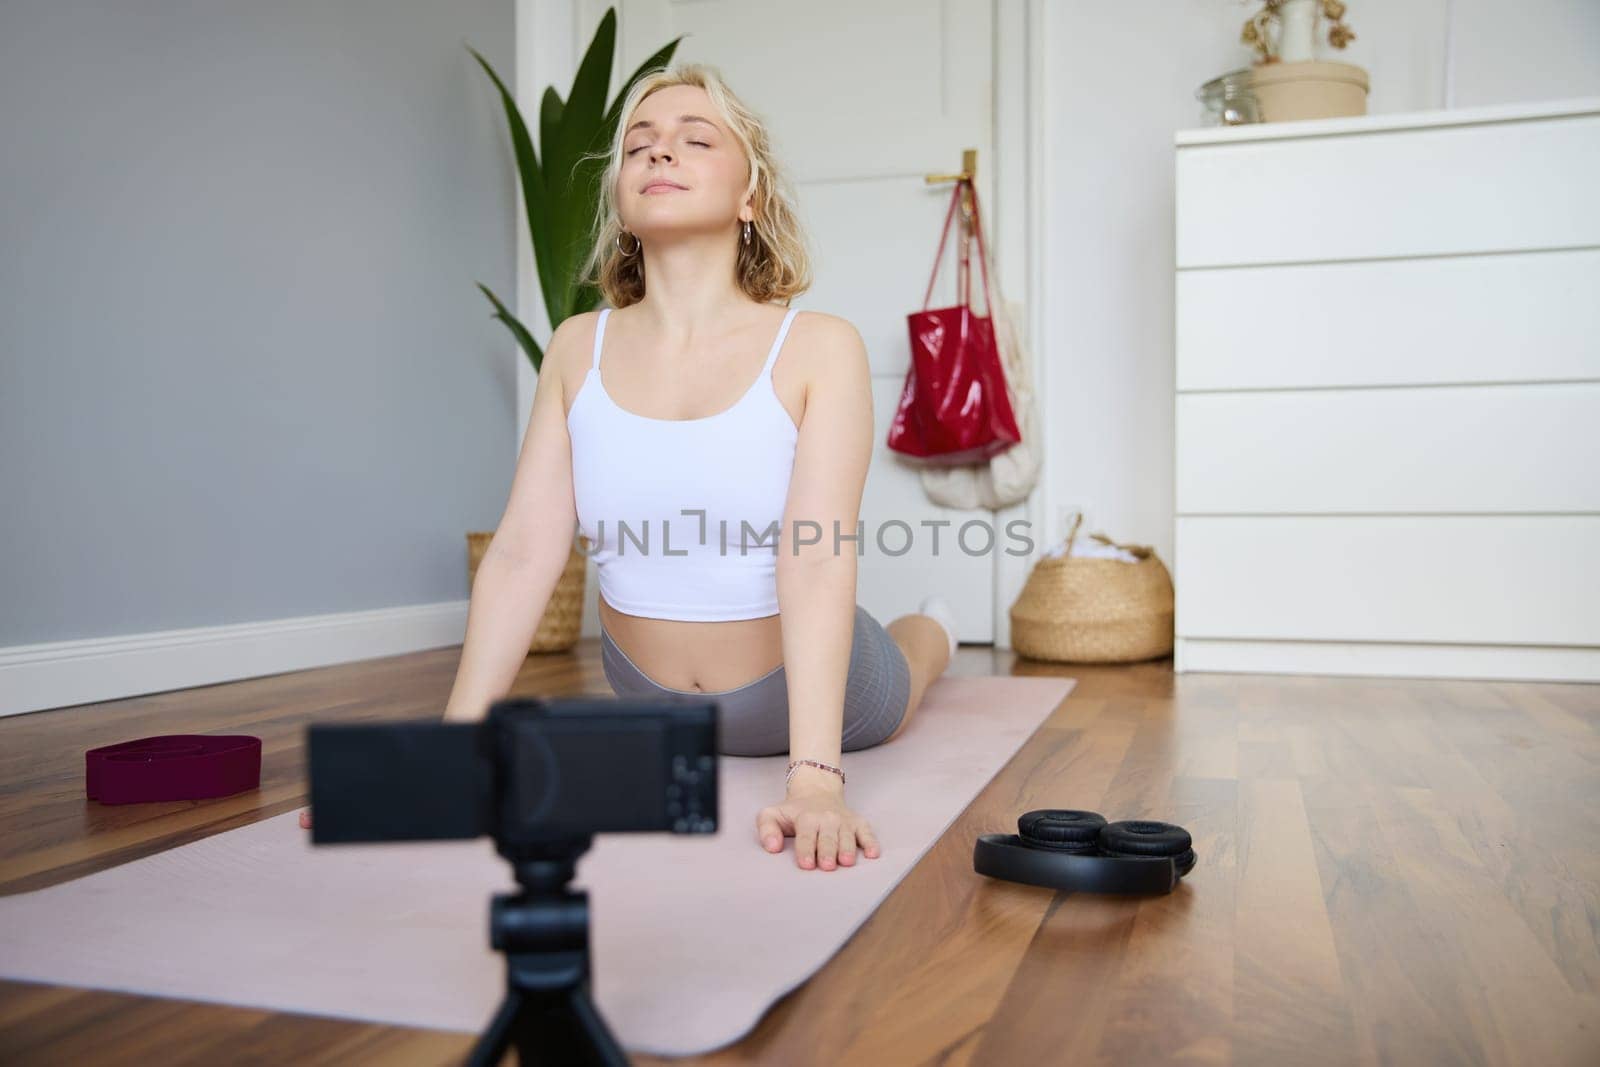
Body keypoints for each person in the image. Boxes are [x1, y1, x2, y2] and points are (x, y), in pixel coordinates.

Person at [300, 64, 958, 873]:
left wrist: (816, 779)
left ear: (751, 195)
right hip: (642, 687)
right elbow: (522, 549)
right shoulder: (580, 344)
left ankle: (934, 626)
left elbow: (817, 551)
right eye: (639, 145)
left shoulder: (820, 346)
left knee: (911, 661)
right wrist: (456, 749)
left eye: (694, 138)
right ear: (621, 200)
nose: (658, 154)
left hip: (793, 691)